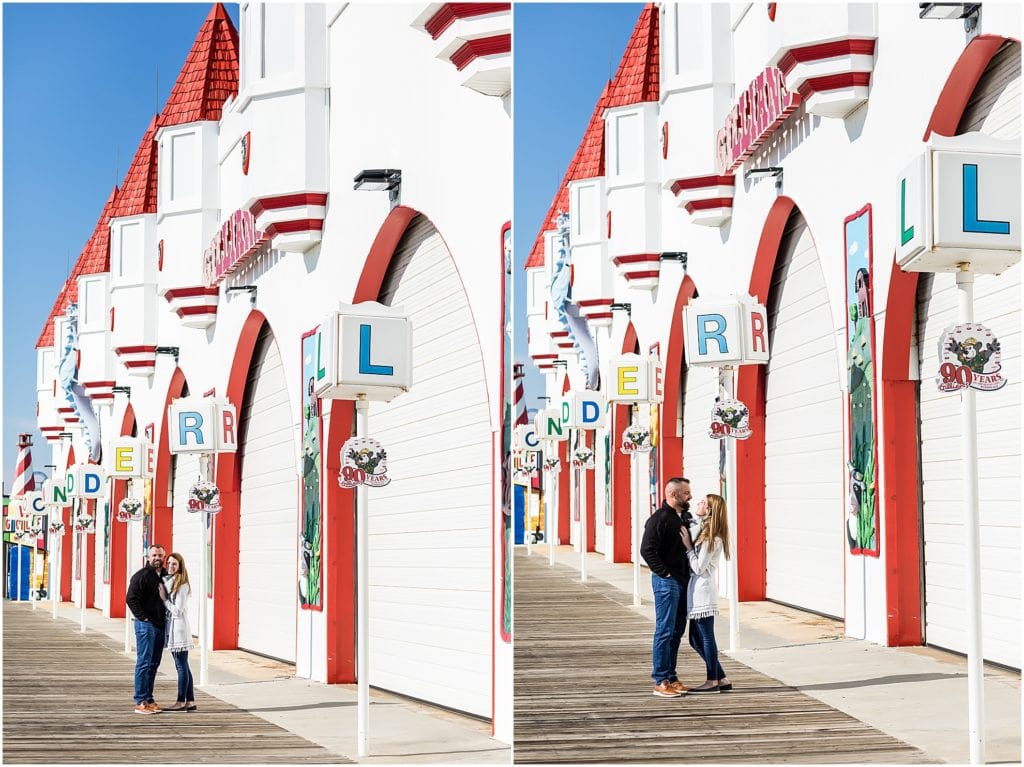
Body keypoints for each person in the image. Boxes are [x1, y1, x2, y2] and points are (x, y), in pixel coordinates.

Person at [640, 477, 693, 698]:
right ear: (673, 494)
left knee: (677, 631)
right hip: (667, 582)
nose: (690, 496)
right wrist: (665, 573)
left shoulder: (683, 518)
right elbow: (646, 549)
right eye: (686, 493)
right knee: (664, 630)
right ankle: (660, 681)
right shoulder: (659, 519)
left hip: (682, 581)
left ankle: (671, 677)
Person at [680, 494, 733, 693]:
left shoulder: (713, 537)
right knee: (695, 639)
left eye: (703, 502)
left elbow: (699, 567)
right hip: (697, 591)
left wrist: (688, 547)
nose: (698, 503)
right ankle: (722, 678)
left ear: (710, 510)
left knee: (706, 636)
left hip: (703, 592)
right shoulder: (704, 530)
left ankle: (712, 680)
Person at [125, 544, 167, 714]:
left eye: (160, 555)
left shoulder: (165, 576)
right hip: (145, 625)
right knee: (144, 662)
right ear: (148, 557)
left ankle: (149, 699)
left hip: (160, 625)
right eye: (154, 555)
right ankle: (140, 700)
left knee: (154, 663)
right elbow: (131, 598)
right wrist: (143, 617)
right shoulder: (141, 575)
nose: (157, 558)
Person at [159, 553, 196, 712]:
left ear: (180, 566)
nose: (170, 566)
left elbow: (177, 610)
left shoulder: (182, 585)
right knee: (184, 666)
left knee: (181, 666)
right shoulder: (170, 581)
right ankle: (190, 701)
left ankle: (181, 701)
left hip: (179, 629)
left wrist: (163, 599)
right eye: (169, 563)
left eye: (174, 564)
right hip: (173, 628)